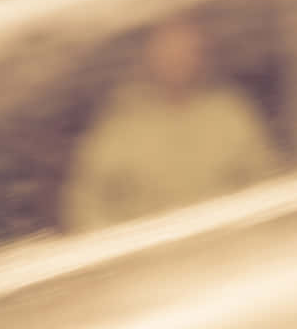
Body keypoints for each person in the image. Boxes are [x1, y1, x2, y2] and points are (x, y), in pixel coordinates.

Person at [61, 14, 282, 232]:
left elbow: (268, 186)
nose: (177, 62)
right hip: (147, 257)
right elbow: (83, 202)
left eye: (186, 52)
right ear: (149, 55)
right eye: (167, 52)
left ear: (201, 55)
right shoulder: (122, 123)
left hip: (227, 252)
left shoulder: (231, 114)